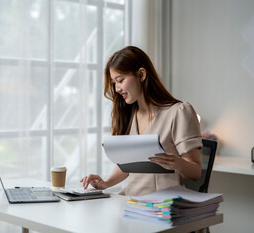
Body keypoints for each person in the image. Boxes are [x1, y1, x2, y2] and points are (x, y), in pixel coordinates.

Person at [80, 46, 202, 196]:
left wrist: (177, 163)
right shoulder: (130, 114)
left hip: (162, 205)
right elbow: (129, 164)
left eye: (120, 80)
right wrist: (105, 183)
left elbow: (195, 172)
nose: (117, 89)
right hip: (130, 201)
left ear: (141, 74)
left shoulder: (179, 112)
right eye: (114, 83)